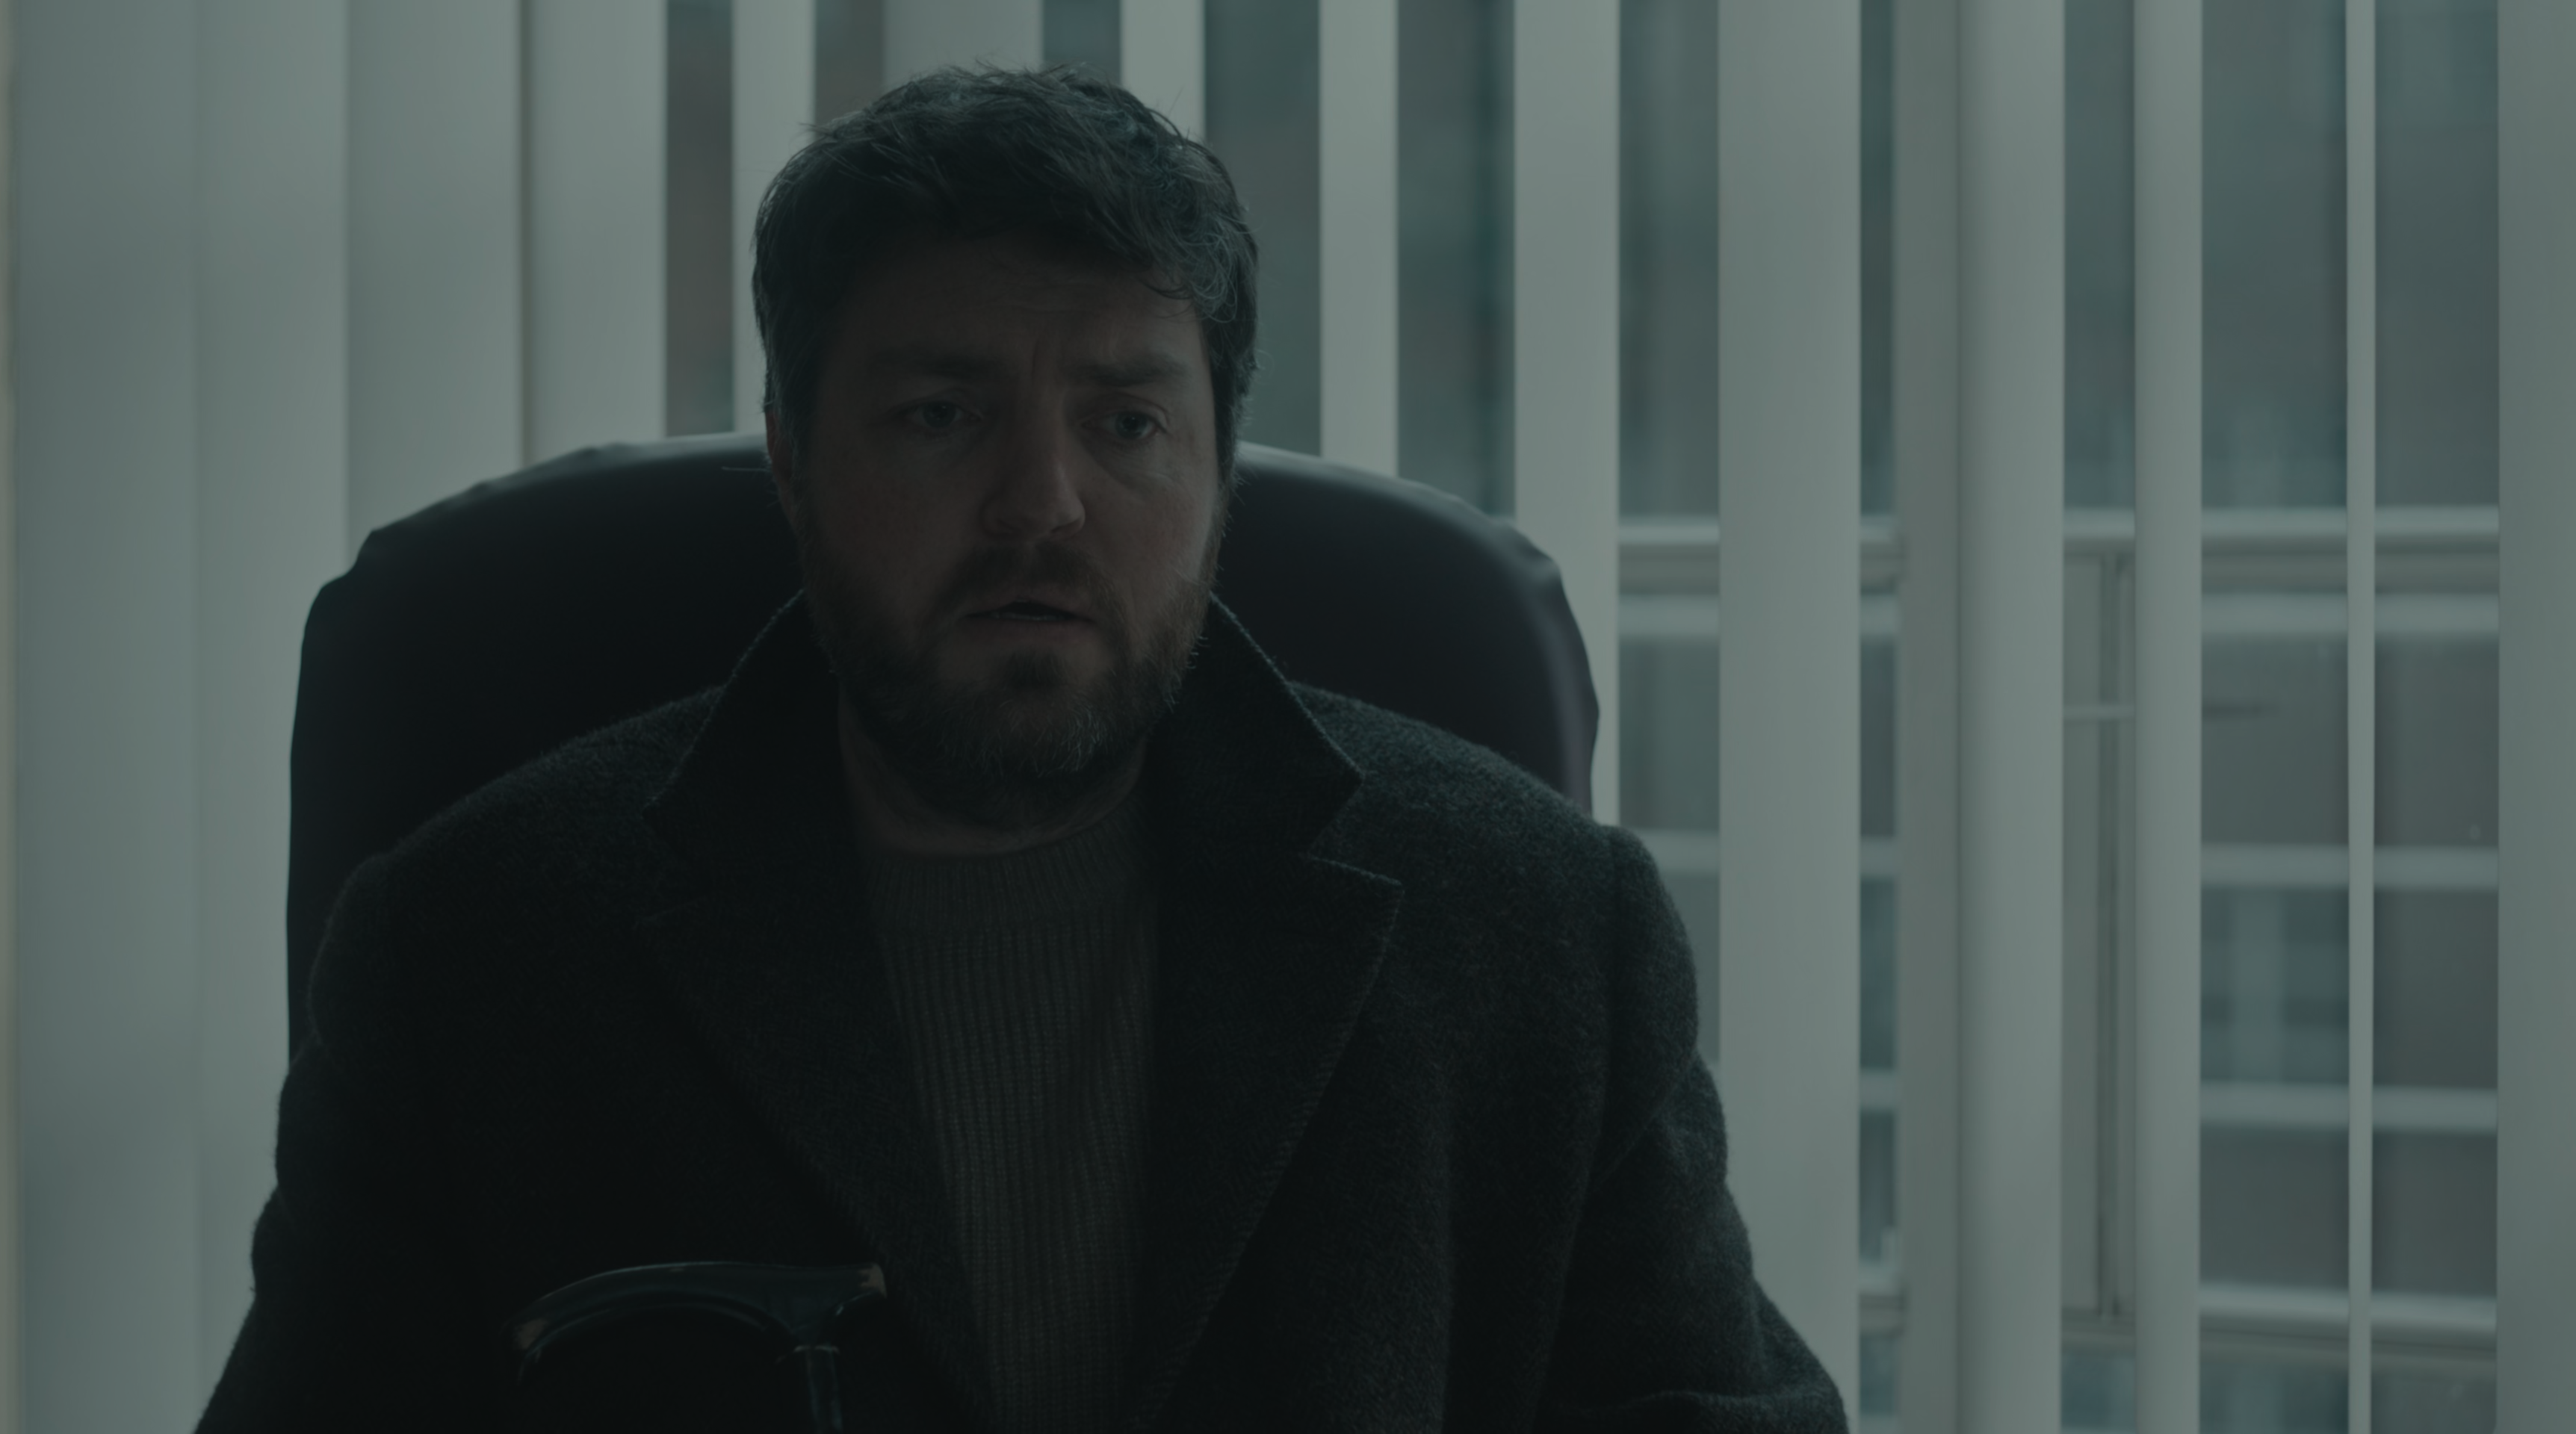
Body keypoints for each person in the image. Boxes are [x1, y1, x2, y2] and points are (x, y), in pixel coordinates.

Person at [199, 66, 1843, 1433]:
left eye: (1126, 423)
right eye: (942, 415)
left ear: (1218, 473)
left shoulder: (1545, 938)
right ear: (791, 458)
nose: (1041, 505)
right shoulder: (469, 959)